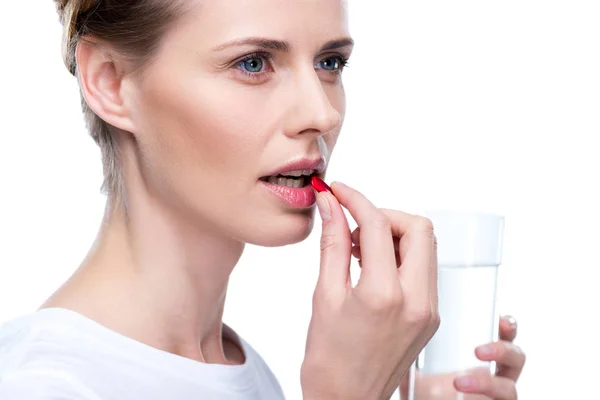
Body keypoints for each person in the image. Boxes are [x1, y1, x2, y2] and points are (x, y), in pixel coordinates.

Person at [0, 1, 525, 399]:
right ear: (110, 83)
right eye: (253, 63)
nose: (322, 113)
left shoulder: (237, 370)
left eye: (330, 63)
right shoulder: (46, 384)